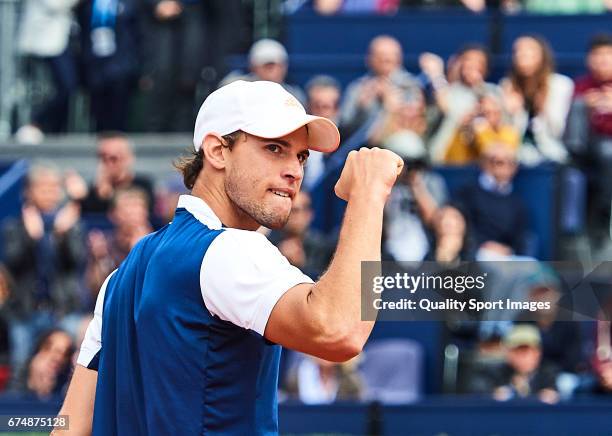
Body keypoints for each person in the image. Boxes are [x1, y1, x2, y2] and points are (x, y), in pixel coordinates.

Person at [54, 80, 402, 435]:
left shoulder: (120, 277)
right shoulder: (230, 249)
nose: (295, 170)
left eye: (300, 156)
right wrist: (370, 193)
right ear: (218, 151)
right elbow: (339, 330)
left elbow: (68, 429)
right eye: (274, 148)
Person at [2, 163, 84, 382]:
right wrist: (32, 238)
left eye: (54, 188)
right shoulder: (14, 226)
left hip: (63, 311)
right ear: (29, 192)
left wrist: (61, 236)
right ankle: (15, 414)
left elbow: (76, 262)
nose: (50, 193)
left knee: (76, 364)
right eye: (43, 188)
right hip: (26, 312)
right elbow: (12, 264)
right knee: (20, 362)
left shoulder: (70, 225)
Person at [500, 35, 573, 165]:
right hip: (516, 153)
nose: (522, 54)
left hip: (552, 151)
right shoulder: (507, 85)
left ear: (542, 55)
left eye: (529, 50)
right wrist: (509, 112)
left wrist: (544, 109)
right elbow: (503, 134)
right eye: (518, 51)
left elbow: (560, 131)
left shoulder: (561, 85)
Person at [340, 35, 423, 137]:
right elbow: (344, 124)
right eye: (380, 56)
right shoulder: (358, 87)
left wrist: (392, 107)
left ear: (398, 59)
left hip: (398, 144)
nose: (385, 60)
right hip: (364, 145)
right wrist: (361, 108)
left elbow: (416, 122)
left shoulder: (410, 85)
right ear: (369, 59)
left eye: (389, 57)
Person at [75, 132, 155, 215]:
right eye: (102, 157)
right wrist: (77, 200)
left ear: (129, 158)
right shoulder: (92, 192)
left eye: (114, 158)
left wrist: (108, 195)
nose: (108, 163)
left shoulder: (143, 186)